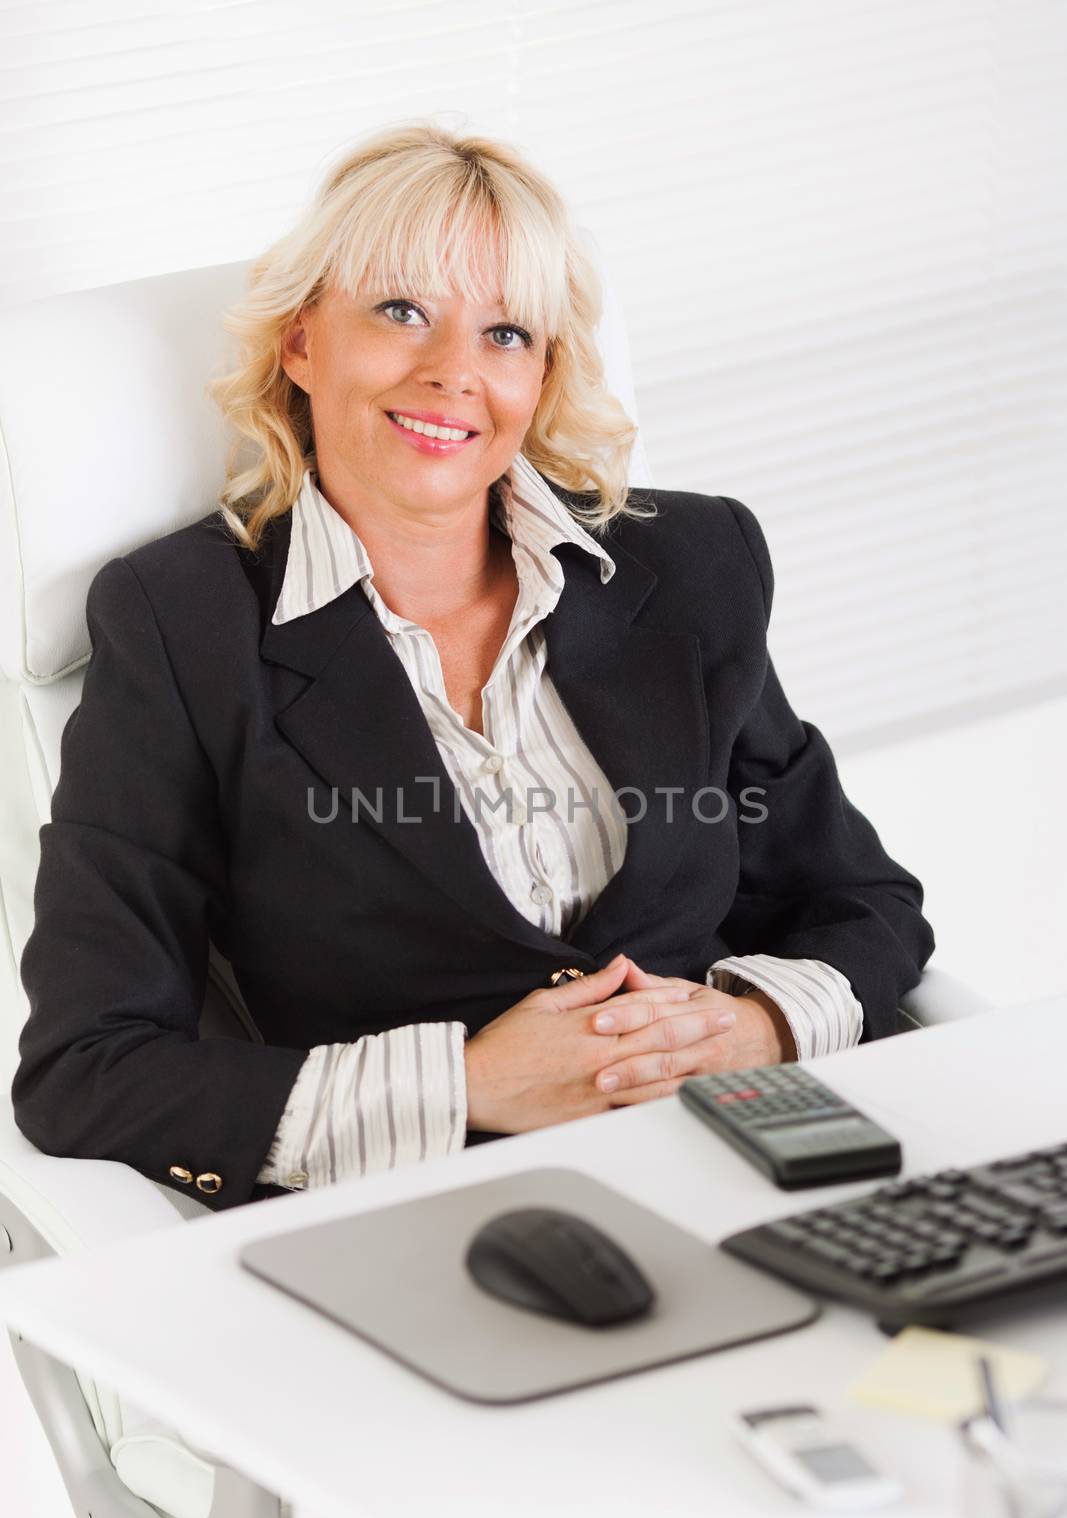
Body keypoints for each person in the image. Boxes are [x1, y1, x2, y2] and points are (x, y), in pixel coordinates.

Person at [13, 122, 935, 1212]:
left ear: (542, 376)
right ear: (302, 342)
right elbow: (87, 1069)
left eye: (506, 333)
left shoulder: (688, 567)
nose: (454, 371)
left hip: (743, 1164)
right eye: (401, 311)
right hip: (425, 1222)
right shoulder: (182, 622)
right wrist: (467, 1085)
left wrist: (752, 1024)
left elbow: (861, 901)